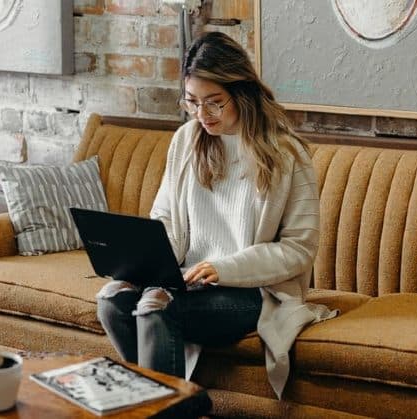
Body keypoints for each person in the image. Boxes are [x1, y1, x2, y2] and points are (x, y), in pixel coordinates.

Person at [95, 31, 336, 399]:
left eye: (215, 103)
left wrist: (226, 268)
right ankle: (166, 402)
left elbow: (299, 248)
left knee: (156, 308)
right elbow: (167, 220)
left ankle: (165, 406)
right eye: (192, 102)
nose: (202, 115)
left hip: (253, 290)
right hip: (185, 282)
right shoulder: (186, 140)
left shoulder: (286, 154)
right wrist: (144, 265)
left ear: (241, 93)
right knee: (112, 301)